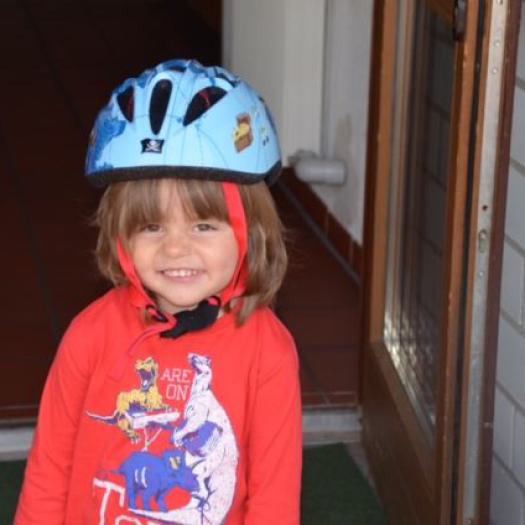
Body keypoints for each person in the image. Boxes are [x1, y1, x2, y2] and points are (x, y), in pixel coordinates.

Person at [15, 59, 302, 524]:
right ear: (121, 237)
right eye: (151, 226)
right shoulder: (89, 335)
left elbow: (274, 500)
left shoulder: (268, 352)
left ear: (251, 233)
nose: (175, 248)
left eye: (203, 225)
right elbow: (49, 472)